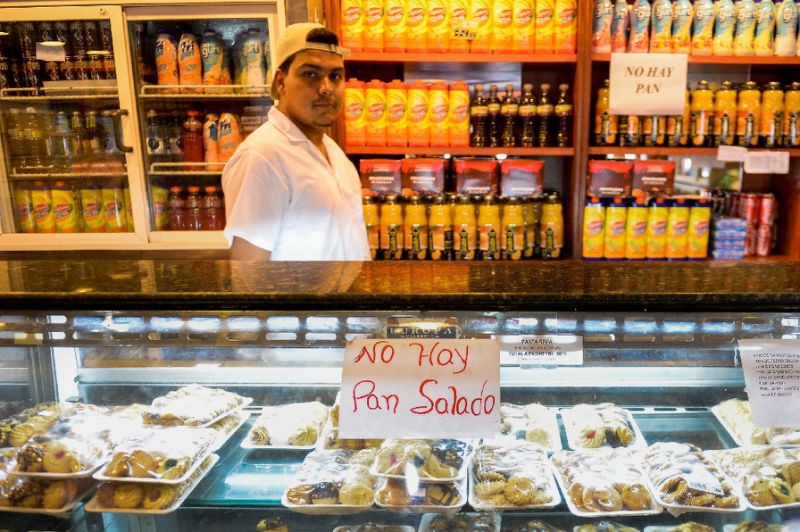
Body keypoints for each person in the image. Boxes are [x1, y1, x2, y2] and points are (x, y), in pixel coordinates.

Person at [222, 23, 370, 261]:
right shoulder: (262, 157)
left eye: (336, 76)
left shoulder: (333, 153)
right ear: (280, 82)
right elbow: (248, 276)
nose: (326, 88)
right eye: (310, 74)